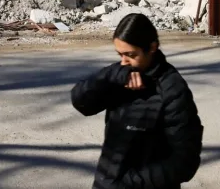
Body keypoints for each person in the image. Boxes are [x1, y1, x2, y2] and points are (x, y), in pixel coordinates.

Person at [71, 13, 203, 189]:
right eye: (120, 55)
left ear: (152, 48)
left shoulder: (172, 90)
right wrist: (110, 76)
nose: (124, 62)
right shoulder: (121, 75)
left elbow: (185, 163)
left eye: (130, 55)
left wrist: (129, 182)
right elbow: (81, 103)